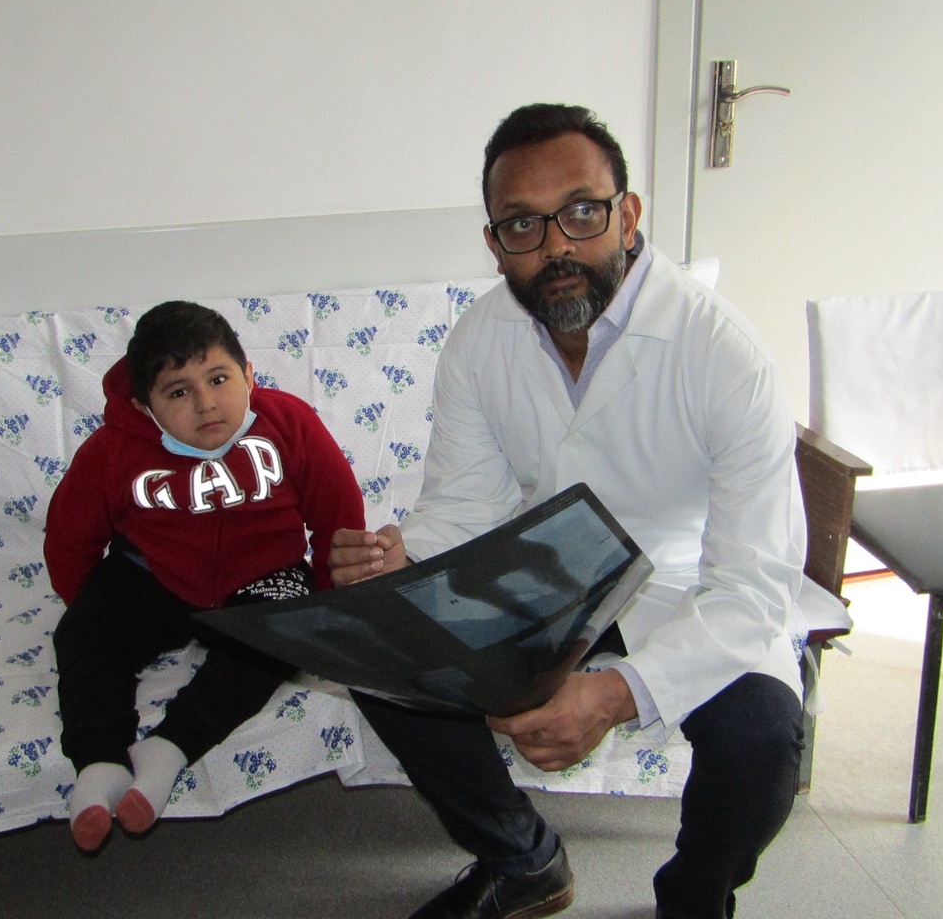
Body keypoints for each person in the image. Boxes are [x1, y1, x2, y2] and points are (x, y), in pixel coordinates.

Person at [330, 104, 807, 919]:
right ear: (494, 244)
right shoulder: (480, 339)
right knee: (382, 657)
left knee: (762, 740)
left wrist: (619, 692)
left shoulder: (724, 354)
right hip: (543, 575)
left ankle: (695, 897)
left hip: (681, 584)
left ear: (628, 215)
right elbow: (466, 502)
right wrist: (400, 557)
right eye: (523, 224)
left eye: (582, 212)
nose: (556, 246)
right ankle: (521, 858)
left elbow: (754, 583)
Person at [46, 300, 365, 852]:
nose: (206, 403)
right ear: (144, 405)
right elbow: (70, 535)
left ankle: (169, 748)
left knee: (275, 639)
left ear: (248, 375)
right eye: (178, 392)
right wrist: (92, 606)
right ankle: (99, 764)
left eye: (219, 379)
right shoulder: (114, 449)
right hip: (153, 575)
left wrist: (322, 601)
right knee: (82, 634)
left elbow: (338, 517)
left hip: (262, 574)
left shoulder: (289, 423)